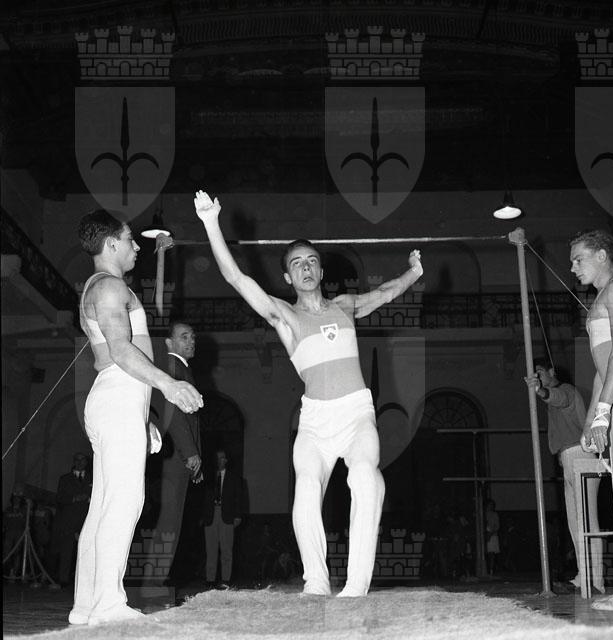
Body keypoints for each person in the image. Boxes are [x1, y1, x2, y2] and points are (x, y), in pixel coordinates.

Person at [194, 190, 423, 597]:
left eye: (312, 260)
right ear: (288, 277)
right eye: (297, 263)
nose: (306, 267)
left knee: (366, 478)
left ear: (320, 269)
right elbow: (236, 279)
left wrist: (414, 272)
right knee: (306, 489)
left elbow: (386, 293)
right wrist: (211, 223)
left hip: (356, 414)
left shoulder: (346, 306)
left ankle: (355, 586)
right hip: (316, 421)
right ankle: (316, 582)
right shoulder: (285, 316)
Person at [71, 210, 203, 626]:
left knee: (103, 506)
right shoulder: (110, 287)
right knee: (125, 500)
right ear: (111, 244)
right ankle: (108, 604)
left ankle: (86, 605)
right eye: (130, 239)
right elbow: (121, 350)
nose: (136, 247)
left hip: (118, 399)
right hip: (118, 395)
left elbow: (114, 357)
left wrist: (142, 415)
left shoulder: (101, 287)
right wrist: (169, 384)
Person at [571, 229, 613, 611]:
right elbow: (602, 369)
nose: (573, 267)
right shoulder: (598, 301)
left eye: (578, 258)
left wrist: (604, 412)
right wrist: (590, 423)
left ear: (601, 255)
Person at [526, 358, 604, 593]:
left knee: (586, 519)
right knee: (575, 522)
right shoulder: (556, 397)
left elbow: (559, 398)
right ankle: (584, 576)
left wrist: (540, 391)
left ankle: (596, 581)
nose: (538, 378)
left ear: (551, 371)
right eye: (534, 376)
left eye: (540, 373)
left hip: (580, 454)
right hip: (569, 457)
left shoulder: (566, 390)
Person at [152, 321, 203, 584]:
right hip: (174, 456)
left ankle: (155, 583)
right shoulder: (172, 367)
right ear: (169, 343)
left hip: (178, 456)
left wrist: (195, 458)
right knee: (168, 523)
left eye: (192, 337)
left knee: (171, 522)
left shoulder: (182, 368)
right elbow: (172, 414)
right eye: (184, 337)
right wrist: (190, 452)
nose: (191, 341)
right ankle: (152, 584)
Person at [49, 453, 92, 588]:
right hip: (69, 519)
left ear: (86, 462)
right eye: (77, 460)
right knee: (66, 550)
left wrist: (89, 499)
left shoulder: (93, 478)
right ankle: (63, 579)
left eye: (82, 459)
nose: (79, 462)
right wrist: (74, 498)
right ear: (74, 462)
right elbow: (60, 498)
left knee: (87, 550)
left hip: (87, 519)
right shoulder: (65, 479)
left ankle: (86, 581)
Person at [202, 449, 243, 589]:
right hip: (210, 515)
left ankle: (226, 580)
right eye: (218, 458)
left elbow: (238, 498)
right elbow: (202, 497)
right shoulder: (208, 476)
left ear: (226, 460)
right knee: (210, 550)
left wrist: (238, 516)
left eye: (222, 458)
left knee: (226, 550)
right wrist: (202, 516)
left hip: (227, 515)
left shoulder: (234, 478)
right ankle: (210, 580)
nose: (220, 460)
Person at [3, 493, 27, 579]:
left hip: (19, 533)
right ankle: (10, 570)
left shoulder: (23, 510)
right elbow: (4, 522)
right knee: (7, 552)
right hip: (9, 533)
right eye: (15, 498)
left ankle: (14, 573)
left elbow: (26, 523)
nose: (16, 500)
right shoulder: (8, 510)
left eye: (18, 498)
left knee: (17, 553)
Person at [485, 499, 500, 577]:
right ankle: (486, 569)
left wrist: (490, 534)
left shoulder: (494, 514)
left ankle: (491, 570)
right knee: (486, 553)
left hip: (492, 535)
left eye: (492, 505)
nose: (490, 506)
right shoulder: (483, 513)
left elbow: (497, 526)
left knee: (491, 553)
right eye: (489, 505)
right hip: (484, 535)